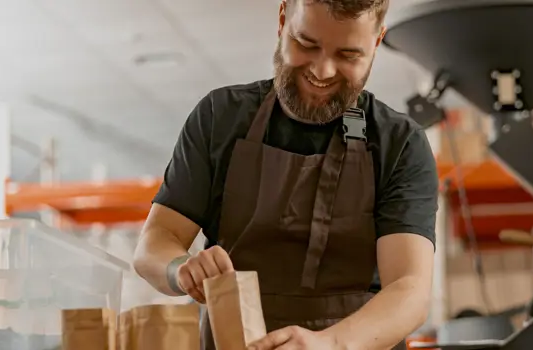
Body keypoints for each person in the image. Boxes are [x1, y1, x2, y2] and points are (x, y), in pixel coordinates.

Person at [133, 0, 438, 349]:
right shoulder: (220, 118)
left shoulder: (399, 144)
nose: (322, 71)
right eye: (307, 44)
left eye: (348, 55)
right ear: (282, 19)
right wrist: (180, 269)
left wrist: (330, 344)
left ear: (377, 42)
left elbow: (410, 290)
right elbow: (153, 244)